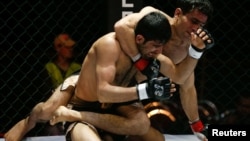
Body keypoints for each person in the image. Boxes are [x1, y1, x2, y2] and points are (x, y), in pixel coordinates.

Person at [4, 11, 207, 141]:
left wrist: (196, 51)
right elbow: (103, 93)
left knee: (146, 128)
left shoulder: (153, 54)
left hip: (113, 106)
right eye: (155, 45)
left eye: (162, 45)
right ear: (139, 38)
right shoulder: (110, 45)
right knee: (46, 110)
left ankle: (90, 124)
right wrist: (146, 90)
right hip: (84, 98)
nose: (159, 51)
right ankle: (28, 122)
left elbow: (181, 77)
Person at [113, 0, 214, 140]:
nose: (195, 28)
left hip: (129, 94)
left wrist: (196, 125)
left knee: (146, 135)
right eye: (193, 21)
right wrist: (141, 62)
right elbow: (121, 26)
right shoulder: (154, 18)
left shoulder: (187, 49)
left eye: (200, 25)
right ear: (178, 13)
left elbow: (187, 87)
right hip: (110, 78)